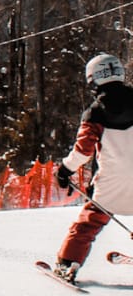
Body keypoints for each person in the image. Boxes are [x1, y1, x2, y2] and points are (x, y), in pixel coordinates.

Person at [51, 53, 133, 283]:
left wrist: (64, 171)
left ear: (93, 80)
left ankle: (67, 264)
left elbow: (83, 152)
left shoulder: (95, 112)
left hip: (111, 184)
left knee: (88, 224)